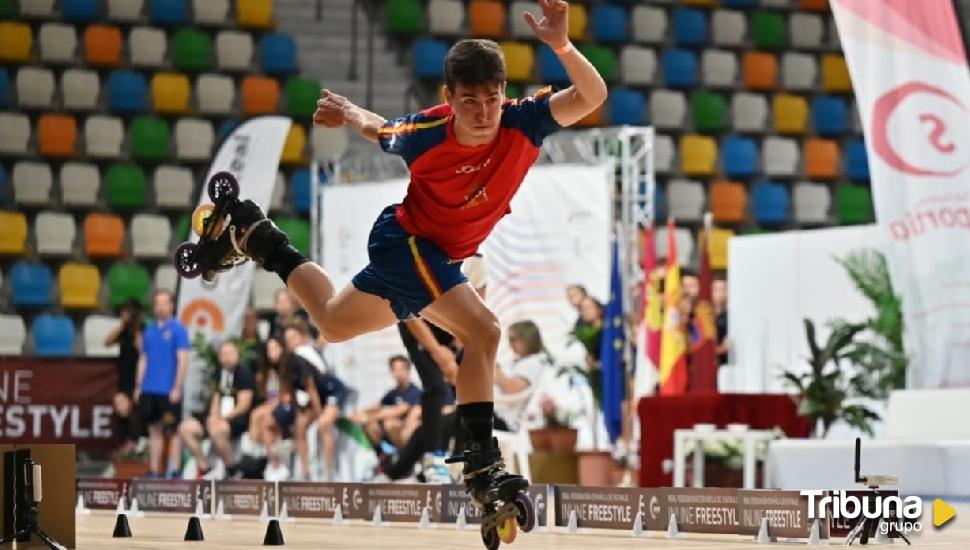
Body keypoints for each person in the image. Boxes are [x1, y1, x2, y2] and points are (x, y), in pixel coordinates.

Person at [190, 0, 606, 507]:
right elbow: (379, 129)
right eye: (469, 100)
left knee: (333, 323)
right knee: (485, 330)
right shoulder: (425, 134)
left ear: (503, 95)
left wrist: (560, 45)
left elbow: (592, 94)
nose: (482, 113)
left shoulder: (526, 121)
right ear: (449, 96)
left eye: (492, 100)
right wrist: (348, 113)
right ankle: (481, 459)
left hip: (435, 259)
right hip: (408, 243)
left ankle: (257, 236)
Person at [381, 320, 552, 480]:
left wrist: (492, 365)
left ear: (526, 339)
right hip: (493, 411)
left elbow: (512, 389)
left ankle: (399, 471)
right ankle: (415, 470)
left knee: (436, 423)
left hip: (501, 419)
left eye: (514, 338)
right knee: (434, 423)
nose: (511, 343)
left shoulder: (533, 363)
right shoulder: (517, 362)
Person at [178, 341, 255, 479]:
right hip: (219, 417)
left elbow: (244, 405)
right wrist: (213, 417)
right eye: (223, 354)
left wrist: (222, 419)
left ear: (237, 355)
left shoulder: (244, 373)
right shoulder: (219, 373)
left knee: (217, 430)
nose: (227, 357)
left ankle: (231, 469)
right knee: (186, 428)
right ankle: (204, 467)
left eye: (230, 353)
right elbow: (216, 398)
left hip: (237, 418)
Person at [284, 319, 349, 480]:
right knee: (299, 427)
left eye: (293, 337)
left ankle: (328, 472)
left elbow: (311, 386)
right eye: (287, 340)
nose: (290, 342)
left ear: (302, 337)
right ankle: (305, 472)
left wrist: (319, 411)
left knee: (324, 425)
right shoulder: (297, 356)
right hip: (318, 397)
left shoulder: (303, 354)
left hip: (333, 391)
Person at [135, 289, 190, 478]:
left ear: (171, 305)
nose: (160, 307)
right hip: (150, 389)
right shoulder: (149, 330)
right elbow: (143, 359)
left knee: (172, 430)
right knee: (154, 430)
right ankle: (153, 470)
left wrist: (177, 386)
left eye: (164, 303)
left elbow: (183, 359)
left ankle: (175, 470)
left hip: (168, 390)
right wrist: (138, 386)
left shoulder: (178, 329)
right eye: (157, 303)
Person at [351, 355, 422, 450]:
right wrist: (361, 413)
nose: (398, 373)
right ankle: (383, 455)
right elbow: (376, 406)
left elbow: (399, 410)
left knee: (390, 423)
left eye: (401, 369)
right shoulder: (392, 393)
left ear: (408, 370)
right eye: (395, 369)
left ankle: (402, 455)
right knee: (370, 424)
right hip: (392, 433)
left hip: (408, 430)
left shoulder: (415, 391)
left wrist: (367, 417)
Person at [104, 298, 143, 456]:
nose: (124, 315)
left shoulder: (142, 330)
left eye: (127, 312)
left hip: (138, 377)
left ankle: (135, 443)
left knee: (134, 412)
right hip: (124, 376)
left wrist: (136, 329)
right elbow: (107, 342)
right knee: (121, 408)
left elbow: (142, 349)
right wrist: (122, 325)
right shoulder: (123, 331)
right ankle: (124, 445)